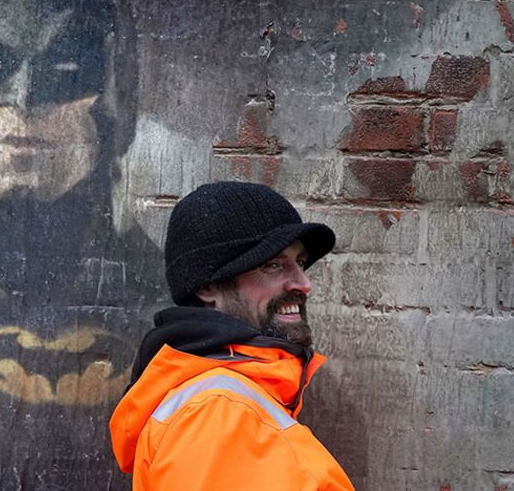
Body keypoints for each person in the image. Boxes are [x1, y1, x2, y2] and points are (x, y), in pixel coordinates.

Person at [110, 181, 355, 490]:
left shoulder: (233, 397)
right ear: (207, 286)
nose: (304, 283)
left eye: (301, 262)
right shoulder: (218, 411)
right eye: (273, 265)